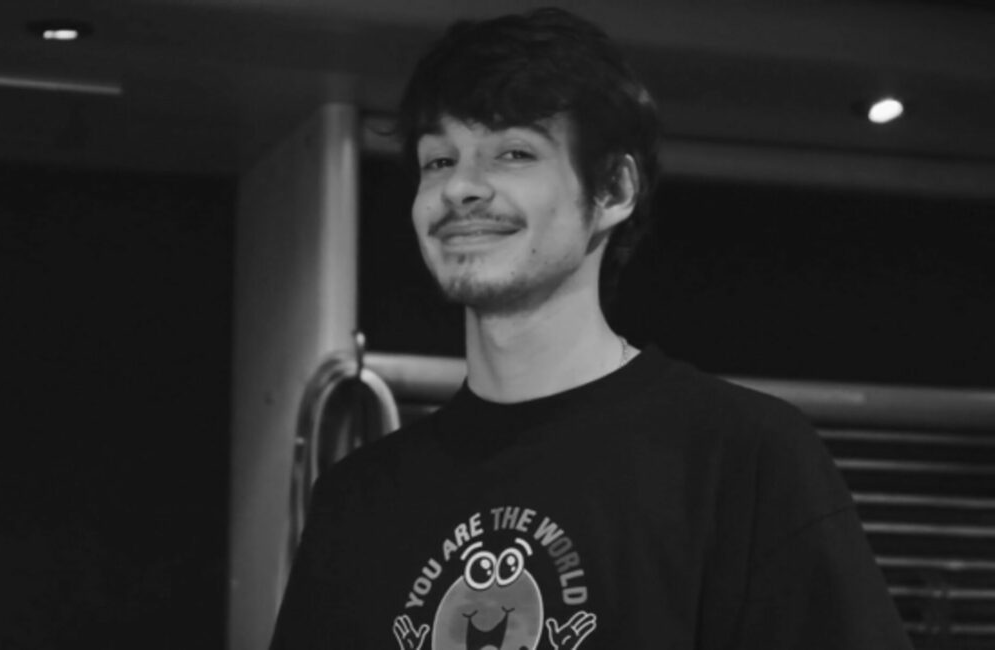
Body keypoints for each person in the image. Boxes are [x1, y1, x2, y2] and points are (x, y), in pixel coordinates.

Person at [270, 8, 911, 649]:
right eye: (438, 160)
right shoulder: (355, 503)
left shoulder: (745, 462)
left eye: (513, 153)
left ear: (613, 189)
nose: (461, 187)